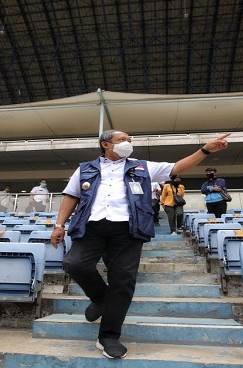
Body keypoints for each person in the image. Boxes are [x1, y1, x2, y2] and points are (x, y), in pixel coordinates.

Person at [50, 130, 230, 359]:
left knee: (123, 281)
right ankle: (100, 299)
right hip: (91, 227)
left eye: (129, 141)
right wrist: (59, 225)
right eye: (122, 140)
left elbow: (177, 167)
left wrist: (204, 150)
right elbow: (71, 195)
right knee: (74, 264)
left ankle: (109, 337)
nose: (128, 144)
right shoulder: (85, 167)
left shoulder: (142, 166)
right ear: (106, 144)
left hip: (128, 229)